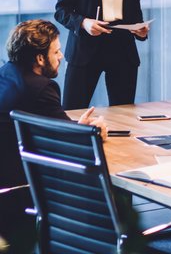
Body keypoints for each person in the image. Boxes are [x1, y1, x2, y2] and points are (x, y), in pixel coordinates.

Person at [0, 19, 106, 251]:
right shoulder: (41, 88)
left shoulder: (6, 74)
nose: (61, 57)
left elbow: (52, 128)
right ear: (39, 59)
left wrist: (76, 126)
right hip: (21, 195)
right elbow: (70, 144)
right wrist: (93, 131)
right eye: (56, 51)